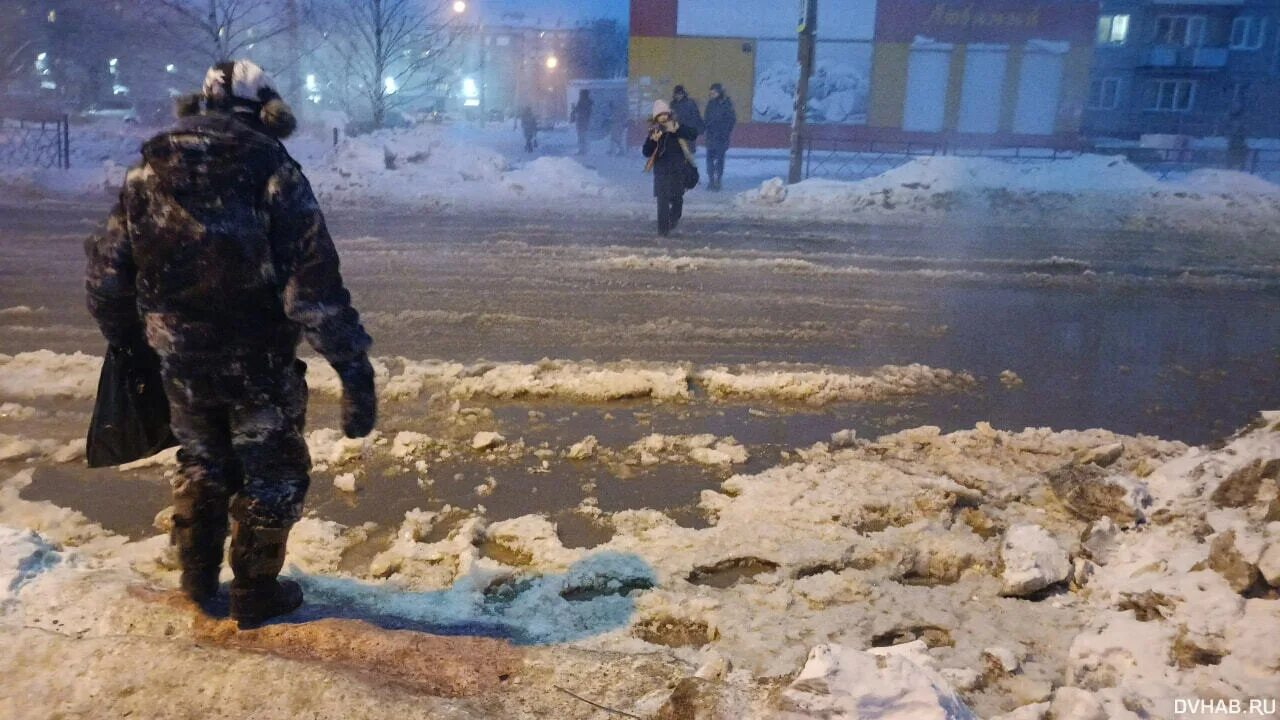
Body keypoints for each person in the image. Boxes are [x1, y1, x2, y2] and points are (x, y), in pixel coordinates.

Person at [84, 60, 376, 629]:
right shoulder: (273, 171)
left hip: (181, 362)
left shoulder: (147, 173)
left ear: (201, 104)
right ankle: (254, 593)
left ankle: (196, 580)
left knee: (202, 460)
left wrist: (132, 343)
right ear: (267, 112)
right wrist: (352, 367)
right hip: (258, 361)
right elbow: (311, 286)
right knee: (272, 471)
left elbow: (106, 275)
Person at [643, 99, 698, 236]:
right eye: (660, 115)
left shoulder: (676, 126)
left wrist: (678, 129)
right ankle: (663, 231)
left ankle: (672, 222)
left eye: (665, 114)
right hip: (661, 171)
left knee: (677, 201)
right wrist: (653, 141)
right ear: (656, 117)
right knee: (662, 202)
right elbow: (646, 152)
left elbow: (693, 134)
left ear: (669, 114)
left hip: (678, 170)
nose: (663, 117)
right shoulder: (654, 132)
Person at [703, 83, 737, 191]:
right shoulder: (710, 104)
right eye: (710, 93)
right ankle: (711, 181)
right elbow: (706, 118)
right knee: (709, 160)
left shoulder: (727, 104)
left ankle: (718, 181)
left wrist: (725, 131)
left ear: (719, 92)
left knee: (719, 160)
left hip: (721, 137)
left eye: (714, 93)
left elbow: (731, 120)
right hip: (711, 136)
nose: (711, 95)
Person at [670, 85, 704, 153]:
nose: (678, 95)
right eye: (677, 94)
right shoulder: (673, 104)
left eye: (680, 93)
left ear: (683, 93)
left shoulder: (690, 103)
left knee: (689, 153)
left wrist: (698, 128)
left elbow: (696, 116)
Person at [570, 89, 593, 156]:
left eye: (580, 94)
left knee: (581, 136)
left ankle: (582, 150)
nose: (580, 95)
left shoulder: (582, 102)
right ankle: (584, 149)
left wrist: (574, 108)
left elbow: (578, 109)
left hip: (582, 121)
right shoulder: (588, 102)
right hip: (585, 121)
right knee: (583, 136)